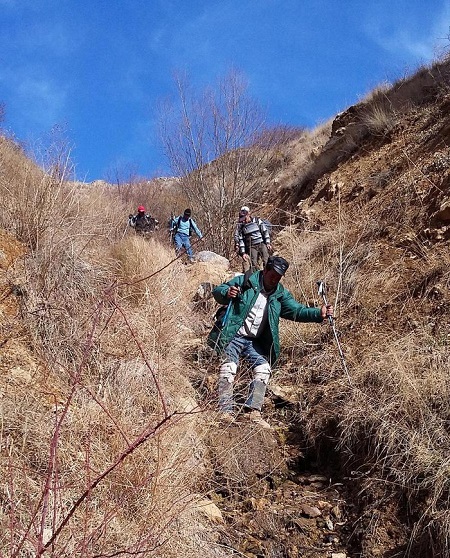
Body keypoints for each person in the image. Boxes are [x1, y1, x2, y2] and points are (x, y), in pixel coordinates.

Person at [208, 255, 333, 428]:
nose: (274, 279)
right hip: (233, 335)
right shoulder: (247, 281)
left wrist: (318, 313)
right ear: (265, 270)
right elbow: (218, 292)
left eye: (279, 276)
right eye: (272, 274)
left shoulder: (279, 295)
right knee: (229, 367)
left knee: (263, 369)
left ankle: (253, 412)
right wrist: (227, 292)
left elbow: (297, 311)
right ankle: (225, 411)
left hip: (254, 341)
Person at [234, 206, 272, 272]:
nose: (244, 221)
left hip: (261, 243)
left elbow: (265, 231)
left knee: (266, 260)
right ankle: (257, 277)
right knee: (253, 263)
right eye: (242, 219)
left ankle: (267, 275)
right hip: (252, 246)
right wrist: (243, 253)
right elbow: (241, 240)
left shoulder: (257, 221)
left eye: (244, 218)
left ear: (248, 214)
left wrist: (268, 243)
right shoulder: (242, 226)